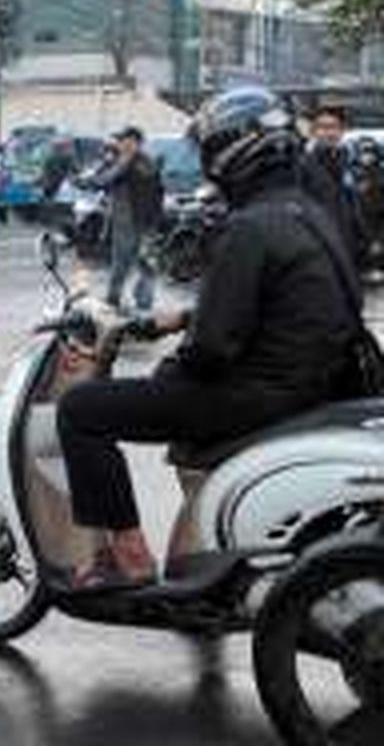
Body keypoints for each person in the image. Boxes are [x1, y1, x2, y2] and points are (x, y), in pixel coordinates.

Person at [56, 87, 358, 591]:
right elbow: (277, 299)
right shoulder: (308, 214)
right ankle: (196, 556)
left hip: (257, 395)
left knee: (83, 410)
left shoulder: (249, 228)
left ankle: (126, 557)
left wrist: (173, 366)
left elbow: (212, 348)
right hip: (306, 383)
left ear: (231, 153)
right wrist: (177, 319)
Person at [83, 126, 163, 312]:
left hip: (132, 221)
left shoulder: (133, 162)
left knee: (129, 262)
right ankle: (137, 302)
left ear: (134, 142)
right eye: (119, 140)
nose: (119, 143)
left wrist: (88, 181)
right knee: (142, 263)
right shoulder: (138, 161)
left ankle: (120, 300)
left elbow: (105, 180)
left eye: (123, 140)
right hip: (140, 221)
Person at [300, 105, 366, 266]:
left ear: (342, 131)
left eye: (334, 127)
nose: (329, 133)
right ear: (313, 131)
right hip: (320, 245)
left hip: (348, 243)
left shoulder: (347, 162)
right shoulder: (304, 165)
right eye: (322, 128)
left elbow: (354, 203)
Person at [352, 137, 384, 271]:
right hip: (356, 228)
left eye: (370, 152)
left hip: (376, 224)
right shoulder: (350, 175)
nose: (367, 156)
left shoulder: (380, 176)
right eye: (364, 152)